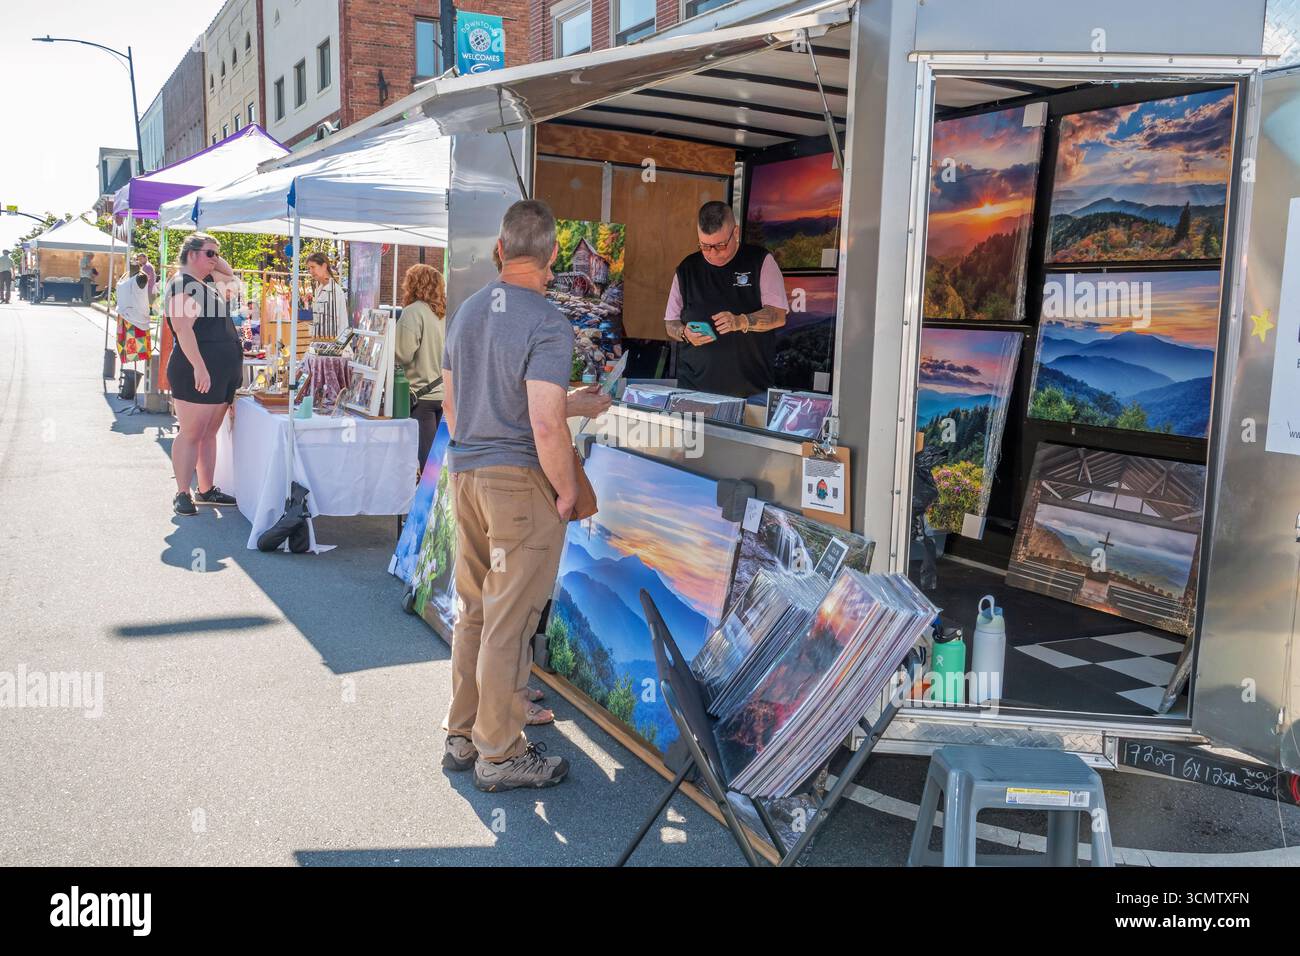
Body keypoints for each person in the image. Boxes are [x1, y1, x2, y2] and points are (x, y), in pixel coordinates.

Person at [440, 198, 611, 791]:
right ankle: (502, 753)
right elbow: (542, 424)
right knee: (510, 624)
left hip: (465, 475)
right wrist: (567, 493)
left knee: (475, 613)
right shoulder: (546, 321)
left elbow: (458, 410)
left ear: (500, 248)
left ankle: (464, 735)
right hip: (518, 486)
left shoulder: (464, 313)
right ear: (554, 255)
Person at [664, 200, 789, 398]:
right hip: (693, 389)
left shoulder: (760, 261)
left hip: (750, 390)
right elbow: (670, 323)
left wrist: (742, 321)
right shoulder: (686, 268)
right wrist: (685, 333)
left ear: (736, 233)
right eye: (705, 246)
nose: (713, 253)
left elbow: (778, 315)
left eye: (721, 245)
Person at [165, 233, 241, 517]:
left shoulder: (205, 283)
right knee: (191, 433)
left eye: (216, 254)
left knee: (209, 433)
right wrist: (199, 366)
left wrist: (214, 256)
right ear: (192, 254)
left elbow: (229, 274)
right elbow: (183, 329)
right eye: (209, 253)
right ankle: (182, 493)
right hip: (196, 370)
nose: (215, 260)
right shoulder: (182, 284)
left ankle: (206, 489)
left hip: (220, 371)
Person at [394, 263, 447, 471]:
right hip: (442, 396)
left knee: (425, 467)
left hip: (419, 397)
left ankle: (423, 503)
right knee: (437, 464)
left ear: (414, 284)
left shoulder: (413, 312)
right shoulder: (444, 314)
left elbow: (402, 354)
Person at [306, 251, 348, 339]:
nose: (311, 271)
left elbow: (333, 322)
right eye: (309, 268)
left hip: (332, 345)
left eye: (313, 267)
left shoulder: (333, 290)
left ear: (324, 266)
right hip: (322, 343)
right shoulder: (320, 289)